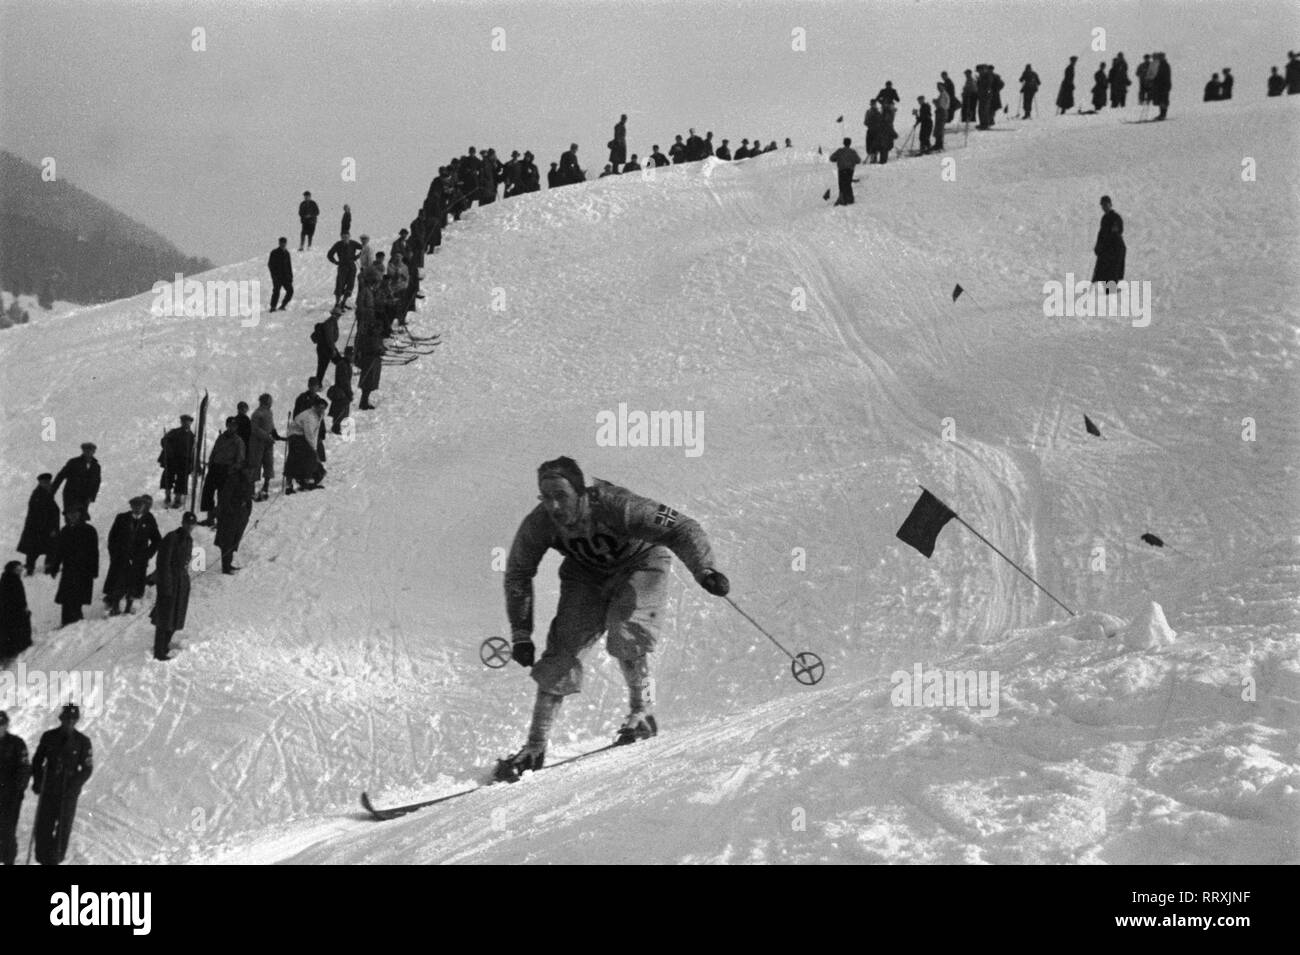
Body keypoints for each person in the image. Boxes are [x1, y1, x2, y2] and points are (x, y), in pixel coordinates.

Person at [498, 457, 729, 778]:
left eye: (561, 495)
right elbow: (518, 573)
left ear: (580, 492)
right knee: (561, 653)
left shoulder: (617, 506)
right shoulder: (540, 523)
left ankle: (642, 713)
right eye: (545, 496)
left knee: (627, 634)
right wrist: (521, 633)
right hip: (586, 574)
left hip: (640, 562)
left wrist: (704, 569)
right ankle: (534, 747)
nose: (553, 505)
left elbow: (680, 526)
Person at [30, 704, 92, 866]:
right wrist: (37, 781)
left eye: (72, 719)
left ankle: (55, 861)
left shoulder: (83, 742)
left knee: (63, 830)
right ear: (61, 719)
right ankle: (43, 860)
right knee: (43, 826)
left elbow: (86, 769)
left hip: (68, 793)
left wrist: (73, 786)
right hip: (49, 789)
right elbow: (37, 761)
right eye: (66, 719)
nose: (69, 722)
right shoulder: (49, 737)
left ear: (77, 721)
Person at [102, 497, 160, 616]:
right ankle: (115, 607)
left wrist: (147, 554)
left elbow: (156, 540)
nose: (137, 509)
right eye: (135, 506)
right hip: (121, 558)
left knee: (134, 585)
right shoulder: (121, 518)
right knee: (118, 582)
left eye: (140, 506)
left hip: (139, 559)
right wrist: (114, 554)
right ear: (131, 506)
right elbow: (112, 538)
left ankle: (128, 607)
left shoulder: (149, 520)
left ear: (144, 507)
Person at [151, 512, 196, 660]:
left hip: (181, 583)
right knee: (164, 618)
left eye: (192, 524)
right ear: (182, 522)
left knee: (176, 617)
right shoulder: (172, 537)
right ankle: (159, 651)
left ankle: (165, 645)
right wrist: (166, 585)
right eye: (187, 523)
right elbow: (163, 563)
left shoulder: (189, 539)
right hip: (169, 582)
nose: (189, 526)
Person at [47, 506, 98, 627]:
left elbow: (94, 552)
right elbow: (59, 551)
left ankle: (75, 622)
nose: (72, 516)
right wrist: (55, 567)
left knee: (77, 597)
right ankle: (66, 622)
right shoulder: (65, 531)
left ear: (80, 514)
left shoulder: (89, 530)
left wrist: (93, 570)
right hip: (69, 569)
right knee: (66, 597)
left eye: (75, 513)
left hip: (83, 569)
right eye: (70, 514)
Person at [200, 416, 246, 525]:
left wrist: (232, 469)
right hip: (215, 467)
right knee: (208, 493)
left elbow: (240, 459)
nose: (231, 428)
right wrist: (211, 463)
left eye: (234, 426)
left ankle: (221, 521)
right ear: (227, 426)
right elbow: (215, 451)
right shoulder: (221, 438)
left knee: (223, 496)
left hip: (227, 470)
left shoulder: (238, 441)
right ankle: (210, 518)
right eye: (230, 425)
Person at [0, 710, 31, 865]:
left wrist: (18, 789)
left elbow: (25, 768)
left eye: (1, 724)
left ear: (6, 725)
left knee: (7, 831)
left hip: (10, 797)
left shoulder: (17, 744)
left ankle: (8, 860)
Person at [18, 473, 60, 576]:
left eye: (48, 482)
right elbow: (41, 514)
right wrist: (51, 529)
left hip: (40, 529)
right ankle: (38, 569)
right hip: (40, 529)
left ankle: (38, 568)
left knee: (37, 550)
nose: (48, 484)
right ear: (41, 483)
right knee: (39, 550)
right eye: (45, 482)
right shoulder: (39, 495)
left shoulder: (44, 493)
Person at [284, 397, 328, 492]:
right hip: (296, 436)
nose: (322, 410)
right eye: (320, 407)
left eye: (324, 408)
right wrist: (314, 449)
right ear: (315, 407)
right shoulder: (310, 417)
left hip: (301, 436)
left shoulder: (317, 415)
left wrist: (314, 447)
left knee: (303, 456)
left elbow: (314, 433)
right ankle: (305, 479)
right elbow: (310, 434)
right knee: (309, 455)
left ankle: (302, 478)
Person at [215, 469, 253, 574]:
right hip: (230, 515)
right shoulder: (233, 479)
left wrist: (247, 512)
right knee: (227, 540)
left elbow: (248, 498)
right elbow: (225, 498)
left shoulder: (248, 481)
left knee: (234, 539)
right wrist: (231, 512)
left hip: (241, 515)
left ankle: (228, 563)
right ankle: (226, 566)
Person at [248, 393, 285, 502]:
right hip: (257, 443)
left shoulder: (269, 412)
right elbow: (255, 429)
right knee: (256, 465)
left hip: (268, 443)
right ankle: (251, 490)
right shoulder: (257, 414)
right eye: (269, 401)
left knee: (268, 463)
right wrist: (267, 437)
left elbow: (271, 425)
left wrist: (274, 433)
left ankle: (266, 486)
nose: (270, 403)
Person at [51, 443, 100, 521]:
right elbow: (61, 476)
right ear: (83, 451)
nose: (88, 452)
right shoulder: (73, 462)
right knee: (70, 517)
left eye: (90, 451)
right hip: (71, 495)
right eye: (86, 450)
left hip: (85, 497)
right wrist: (52, 491)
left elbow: (96, 483)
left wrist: (92, 496)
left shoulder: (96, 466)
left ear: (94, 452)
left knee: (82, 518)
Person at [159, 414, 195, 509]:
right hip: (172, 459)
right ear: (181, 422)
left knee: (182, 481)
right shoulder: (174, 432)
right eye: (184, 422)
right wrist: (168, 447)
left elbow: (193, 450)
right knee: (168, 478)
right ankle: (167, 496)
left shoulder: (192, 436)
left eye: (188, 422)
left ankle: (178, 499)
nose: (186, 423)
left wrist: (193, 462)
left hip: (184, 461)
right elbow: (163, 441)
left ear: (191, 423)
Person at [1091, 195, 1126, 292]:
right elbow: (1101, 233)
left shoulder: (1116, 217)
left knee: (1114, 267)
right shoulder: (1104, 218)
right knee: (1104, 266)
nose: (1104, 207)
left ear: (1110, 205)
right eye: (1102, 205)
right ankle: (1108, 288)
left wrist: (1112, 234)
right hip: (1107, 247)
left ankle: (1111, 288)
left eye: (1106, 205)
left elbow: (1118, 231)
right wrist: (1098, 245)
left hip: (1116, 247)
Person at [0, 563, 32, 665]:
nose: (21, 571)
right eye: (18, 569)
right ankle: (13, 653)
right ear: (13, 570)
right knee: (16, 631)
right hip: (15, 612)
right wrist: (24, 608)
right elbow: (19, 597)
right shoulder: (14, 581)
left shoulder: (5, 579)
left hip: (6, 612)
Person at [327, 233, 362, 309]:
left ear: (349, 237)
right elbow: (329, 254)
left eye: (347, 237)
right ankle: (337, 303)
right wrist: (335, 262)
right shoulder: (338, 244)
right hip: (342, 267)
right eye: (343, 237)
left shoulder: (353, 243)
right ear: (341, 237)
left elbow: (363, 247)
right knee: (340, 285)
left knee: (350, 285)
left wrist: (357, 256)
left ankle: (343, 302)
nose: (345, 238)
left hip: (352, 267)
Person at [328, 346, 354, 434]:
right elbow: (344, 381)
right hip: (341, 391)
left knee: (343, 411)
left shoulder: (345, 364)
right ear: (347, 355)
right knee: (340, 410)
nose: (352, 357)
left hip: (343, 391)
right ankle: (336, 428)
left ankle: (338, 427)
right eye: (351, 355)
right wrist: (349, 393)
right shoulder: (343, 365)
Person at [829, 137, 862, 205]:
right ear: (850, 143)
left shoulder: (840, 151)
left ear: (843, 143)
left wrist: (837, 159)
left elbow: (831, 158)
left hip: (842, 169)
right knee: (848, 184)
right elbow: (858, 160)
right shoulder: (852, 151)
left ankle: (842, 198)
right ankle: (850, 199)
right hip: (850, 170)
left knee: (841, 184)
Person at [313, 306, 341, 382]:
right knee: (339, 363)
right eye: (338, 315)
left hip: (323, 347)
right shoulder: (330, 323)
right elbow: (329, 338)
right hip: (327, 348)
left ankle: (318, 383)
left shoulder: (331, 322)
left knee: (322, 367)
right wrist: (333, 349)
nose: (339, 317)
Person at [268, 237, 293, 311]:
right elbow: (270, 264)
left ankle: (283, 305)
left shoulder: (287, 253)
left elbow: (289, 266)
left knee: (290, 291)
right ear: (279, 243)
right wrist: (274, 275)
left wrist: (290, 276)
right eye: (281, 242)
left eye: (284, 243)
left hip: (286, 277)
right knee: (276, 292)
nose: (283, 244)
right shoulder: (274, 252)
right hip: (277, 277)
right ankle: (273, 307)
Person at [1151, 52, 1172, 120]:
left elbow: (1163, 75)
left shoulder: (1165, 65)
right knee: (1160, 100)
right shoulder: (1159, 64)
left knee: (1164, 100)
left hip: (1164, 85)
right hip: (1160, 85)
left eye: (1160, 57)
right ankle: (1161, 114)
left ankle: (1163, 114)